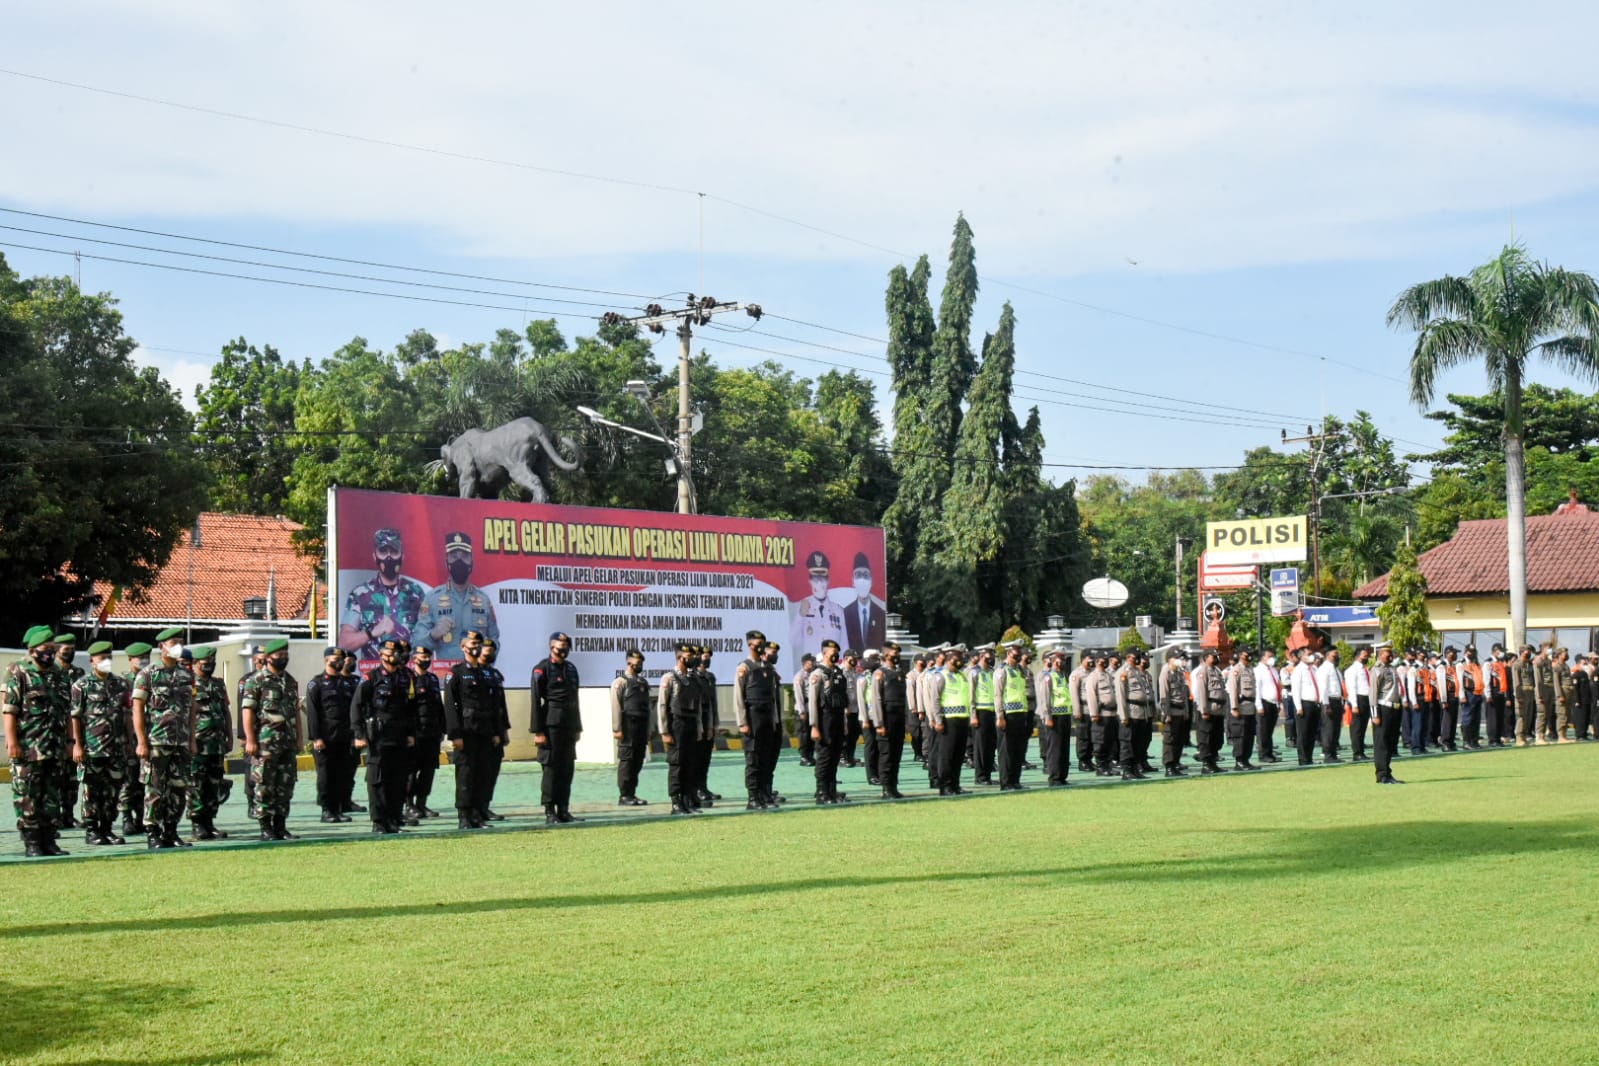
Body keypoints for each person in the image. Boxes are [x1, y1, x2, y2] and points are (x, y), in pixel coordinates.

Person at [5, 626, 71, 856]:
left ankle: (49, 841)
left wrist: (69, 742)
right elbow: (10, 710)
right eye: (45, 649)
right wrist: (12, 741)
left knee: (51, 796)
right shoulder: (19, 673)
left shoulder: (59, 674)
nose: (50, 653)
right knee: (27, 796)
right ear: (33, 650)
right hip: (28, 746)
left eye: (52, 649)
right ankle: (32, 843)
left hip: (54, 746)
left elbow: (67, 711)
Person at [132, 628, 198, 849]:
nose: (178, 645)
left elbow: (191, 709)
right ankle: (153, 832)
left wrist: (192, 739)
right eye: (173, 642)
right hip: (156, 741)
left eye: (180, 642)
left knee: (179, 788)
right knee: (155, 788)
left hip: (181, 742)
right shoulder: (147, 674)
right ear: (161, 647)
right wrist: (141, 741)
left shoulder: (187, 675)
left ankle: (171, 831)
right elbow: (138, 709)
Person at [352, 636, 418, 833]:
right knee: (378, 779)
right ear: (381, 655)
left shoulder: (406, 677)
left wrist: (411, 733)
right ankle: (379, 821)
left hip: (399, 735)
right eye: (391, 653)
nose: (395, 657)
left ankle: (394, 819)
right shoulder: (371, 678)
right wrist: (358, 734)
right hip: (378, 736)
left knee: (397, 779)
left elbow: (411, 708)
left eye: (398, 653)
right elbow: (357, 706)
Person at [69, 640, 131, 847]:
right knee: (92, 791)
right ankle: (92, 830)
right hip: (93, 748)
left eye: (109, 657)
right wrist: (77, 745)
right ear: (92, 661)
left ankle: (107, 829)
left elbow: (127, 715)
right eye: (102, 658)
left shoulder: (121, 684)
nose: (106, 661)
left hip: (117, 747)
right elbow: (76, 717)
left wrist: (130, 742)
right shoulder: (82, 685)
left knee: (113, 791)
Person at [241, 637, 301, 841]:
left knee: (285, 785)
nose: (283, 658)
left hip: (287, 742)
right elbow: (248, 711)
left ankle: (281, 826)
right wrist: (250, 740)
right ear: (268, 658)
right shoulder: (256, 681)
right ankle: (266, 827)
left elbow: (294, 713)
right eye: (279, 655)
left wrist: (299, 739)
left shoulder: (290, 681)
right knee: (264, 784)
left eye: (285, 655)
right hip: (265, 743)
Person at [443, 631, 504, 829]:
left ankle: (478, 814)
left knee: (482, 774)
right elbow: (451, 706)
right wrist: (455, 734)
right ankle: (464, 815)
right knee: (466, 775)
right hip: (466, 732)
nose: (476, 646)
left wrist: (496, 732)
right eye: (472, 643)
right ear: (463, 647)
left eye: (478, 643)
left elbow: (494, 706)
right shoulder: (456, 673)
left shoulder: (486, 673)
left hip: (485, 731)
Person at [339, 527, 428, 660]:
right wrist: (372, 633)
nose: (388, 557)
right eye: (383, 551)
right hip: (374, 677)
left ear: (402, 556)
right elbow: (344, 643)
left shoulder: (416, 593)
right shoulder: (360, 594)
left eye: (393, 551)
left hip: (408, 675)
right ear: (375, 556)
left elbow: (428, 637)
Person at [414, 531, 499, 656]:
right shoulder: (432, 599)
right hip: (447, 674)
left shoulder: (484, 600)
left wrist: (485, 658)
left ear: (472, 561)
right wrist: (434, 634)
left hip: (476, 673)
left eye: (464, 556)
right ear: (446, 562)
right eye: (453, 556)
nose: (459, 561)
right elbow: (416, 644)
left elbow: (494, 641)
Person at [531, 631, 583, 825]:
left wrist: (578, 727)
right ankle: (549, 811)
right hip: (550, 723)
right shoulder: (541, 669)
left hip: (568, 723)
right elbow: (536, 701)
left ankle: (564, 809)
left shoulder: (571, 669)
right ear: (551, 648)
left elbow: (575, 699)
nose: (563, 652)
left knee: (567, 768)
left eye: (566, 648)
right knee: (551, 768)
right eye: (560, 649)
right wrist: (538, 731)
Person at [305, 647, 357, 823]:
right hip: (326, 739)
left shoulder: (347, 683)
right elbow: (312, 712)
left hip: (344, 737)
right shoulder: (316, 684)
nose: (340, 662)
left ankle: (338, 808)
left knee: (341, 775)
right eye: (336, 658)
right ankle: (327, 810)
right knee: (326, 776)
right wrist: (316, 737)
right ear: (326, 660)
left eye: (341, 659)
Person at [187, 647, 232, 840]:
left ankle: (210, 822)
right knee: (197, 783)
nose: (210, 666)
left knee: (215, 783)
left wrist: (230, 735)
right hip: (198, 742)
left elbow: (225, 711)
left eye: (212, 662)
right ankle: (197, 823)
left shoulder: (218, 684)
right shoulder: (187, 684)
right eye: (206, 663)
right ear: (196, 663)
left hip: (217, 742)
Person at [735, 631, 781, 809]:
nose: (760, 645)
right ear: (749, 645)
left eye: (762, 642)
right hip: (752, 719)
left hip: (767, 719)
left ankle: (763, 794)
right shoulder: (744, 668)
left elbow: (773, 699)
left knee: (765, 759)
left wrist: (775, 720)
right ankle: (752, 797)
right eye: (757, 643)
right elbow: (738, 697)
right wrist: (742, 722)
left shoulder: (768, 669)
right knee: (753, 760)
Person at [658, 643, 701, 816]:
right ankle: (676, 802)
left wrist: (699, 728)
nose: (692, 658)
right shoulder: (669, 678)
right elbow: (662, 705)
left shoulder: (692, 678)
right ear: (680, 657)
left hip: (690, 722)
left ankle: (686, 800)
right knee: (677, 763)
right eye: (688, 656)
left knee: (689, 763)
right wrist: (664, 731)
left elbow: (697, 707)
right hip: (676, 724)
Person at [808, 639, 853, 804]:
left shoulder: (839, 673)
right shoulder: (818, 674)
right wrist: (814, 726)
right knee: (825, 756)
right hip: (824, 719)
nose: (835, 656)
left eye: (837, 653)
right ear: (825, 653)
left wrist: (845, 723)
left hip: (838, 718)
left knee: (835, 755)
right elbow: (812, 702)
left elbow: (843, 701)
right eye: (832, 653)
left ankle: (832, 790)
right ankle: (821, 792)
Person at [925, 645, 972, 796]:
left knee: (958, 754)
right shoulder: (940, 676)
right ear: (950, 657)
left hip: (962, 719)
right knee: (947, 755)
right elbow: (935, 700)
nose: (961, 660)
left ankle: (955, 784)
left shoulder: (962, 675)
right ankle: (945, 786)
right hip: (948, 720)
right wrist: (938, 720)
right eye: (958, 657)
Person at [117, 641, 153, 837]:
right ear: (130, 659)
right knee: (128, 779)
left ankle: (141, 817)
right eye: (140, 658)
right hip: (128, 739)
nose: (144, 661)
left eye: (147, 657)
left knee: (145, 779)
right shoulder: (123, 683)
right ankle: (126, 817)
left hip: (150, 735)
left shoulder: (152, 679)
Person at [408, 645, 447, 819]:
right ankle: (409, 805)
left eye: (428, 657)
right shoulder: (408, 679)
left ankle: (422, 804)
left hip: (432, 733)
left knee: (428, 771)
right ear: (414, 658)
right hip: (416, 734)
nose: (425, 660)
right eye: (422, 656)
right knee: (411, 771)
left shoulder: (432, 679)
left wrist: (443, 729)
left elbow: (439, 706)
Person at [611, 647, 652, 807]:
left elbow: (647, 708)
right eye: (637, 662)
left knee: (637, 761)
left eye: (641, 662)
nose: (640, 664)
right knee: (627, 761)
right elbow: (616, 705)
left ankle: (632, 793)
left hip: (641, 728)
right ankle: (624, 795)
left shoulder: (643, 682)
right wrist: (617, 728)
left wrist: (649, 729)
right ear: (629, 662)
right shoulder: (620, 682)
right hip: (627, 727)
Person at [869, 642, 910, 799]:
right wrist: (879, 723)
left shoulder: (899, 673)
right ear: (886, 655)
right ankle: (886, 788)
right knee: (886, 754)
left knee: (896, 753)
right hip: (886, 717)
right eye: (894, 653)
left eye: (898, 653)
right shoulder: (879, 674)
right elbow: (876, 699)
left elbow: (903, 699)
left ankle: (894, 786)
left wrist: (906, 720)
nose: (897, 656)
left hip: (899, 718)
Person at [789, 550, 846, 661]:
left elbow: (844, 645)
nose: (819, 584)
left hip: (832, 667)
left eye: (823, 579)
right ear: (810, 581)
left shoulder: (838, 611)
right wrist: (801, 616)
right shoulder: (803, 607)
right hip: (812, 669)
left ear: (828, 581)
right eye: (816, 580)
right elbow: (793, 641)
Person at [52, 634, 84, 829]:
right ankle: (53, 816)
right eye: (66, 651)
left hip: (73, 733)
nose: (69, 654)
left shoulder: (78, 673)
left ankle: (68, 815)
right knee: (54, 776)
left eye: (72, 650)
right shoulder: (50, 672)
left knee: (72, 777)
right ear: (56, 651)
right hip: (53, 732)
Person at [993, 641, 1033, 789]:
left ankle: (1015, 780)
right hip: (1008, 715)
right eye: (1015, 651)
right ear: (1009, 652)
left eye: (1019, 651)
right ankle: (1006, 782)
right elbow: (998, 695)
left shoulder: (1020, 671)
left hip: (1020, 714)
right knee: (1006, 751)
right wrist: (1000, 716)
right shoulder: (1001, 671)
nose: (1018, 654)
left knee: (1018, 749)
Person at [480, 638, 511, 819]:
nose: (489, 653)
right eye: (486, 649)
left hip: (497, 729)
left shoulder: (495, 675)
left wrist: (504, 730)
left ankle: (485, 805)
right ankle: (476, 807)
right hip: (482, 730)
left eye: (492, 650)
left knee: (492, 770)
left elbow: (501, 705)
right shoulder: (473, 674)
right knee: (480, 771)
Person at [1114, 650, 1156, 780]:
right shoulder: (1123, 672)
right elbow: (1120, 695)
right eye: (1135, 656)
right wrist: (1123, 715)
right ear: (1127, 657)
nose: (1137, 658)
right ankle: (1127, 771)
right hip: (1130, 712)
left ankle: (1135, 769)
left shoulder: (1138, 672)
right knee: (1127, 743)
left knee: (1138, 743)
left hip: (1141, 713)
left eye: (1138, 656)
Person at [1035, 651, 1072, 786]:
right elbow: (1045, 699)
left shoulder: (1063, 676)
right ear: (1054, 660)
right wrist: (1048, 717)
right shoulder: (1048, 677)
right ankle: (1055, 777)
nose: (1063, 661)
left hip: (1065, 715)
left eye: (1063, 659)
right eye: (1060, 659)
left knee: (1064, 747)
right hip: (1054, 717)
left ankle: (1062, 776)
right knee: (1055, 748)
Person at [1370, 643, 1405, 785]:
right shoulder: (1377, 670)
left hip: (1394, 708)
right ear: (1380, 655)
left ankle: (1388, 773)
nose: (1390, 655)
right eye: (1386, 653)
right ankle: (1382, 775)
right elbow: (1372, 693)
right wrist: (1374, 714)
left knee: (1391, 743)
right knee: (1381, 743)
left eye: (1390, 653)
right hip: (1383, 709)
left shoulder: (1391, 668)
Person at [1191, 649, 1229, 775]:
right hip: (1208, 709)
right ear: (1206, 657)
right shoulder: (1203, 672)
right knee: (1206, 738)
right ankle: (1206, 764)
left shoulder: (1217, 671)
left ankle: (1213, 762)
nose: (1217, 658)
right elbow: (1201, 693)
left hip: (1218, 710)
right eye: (1214, 656)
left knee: (1217, 739)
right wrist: (1204, 710)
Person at [842, 552, 886, 653]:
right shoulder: (845, 613)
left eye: (866, 575)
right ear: (852, 581)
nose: (862, 580)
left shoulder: (880, 614)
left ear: (871, 580)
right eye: (858, 575)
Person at [1157, 649, 1191, 777]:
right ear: (1170, 659)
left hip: (1181, 710)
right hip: (1172, 710)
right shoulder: (1165, 672)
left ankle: (1176, 763)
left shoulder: (1179, 672)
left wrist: (1186, 711)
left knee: (1179, 740)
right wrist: (1167, 713)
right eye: (1177, 657)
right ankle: (1169, 766)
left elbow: (1183, 693)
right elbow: (1164, 695)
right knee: (1170, 740)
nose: (1180, 660)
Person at [1226, 648, 1260, 771]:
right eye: (1247, 653)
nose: (1250, 656)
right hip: (1241, 707)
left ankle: (1246, 759)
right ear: (1241, 655)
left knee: (1249, 735)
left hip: (1250, 707)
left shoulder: (1250, 669)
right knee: (1240, 735)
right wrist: (1234, 707)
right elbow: (1233, 690)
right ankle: (1239, 761)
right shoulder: (1236, 670)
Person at [967, 646, 998, 785]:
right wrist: (973, 715)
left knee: (991, 745)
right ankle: (980, 776)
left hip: (992, 712)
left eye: (992, 654)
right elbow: (971, 695)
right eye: (988, 654)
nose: (991, 657)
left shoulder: (992, 672)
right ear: (981, 656)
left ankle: (988, 774)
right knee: (981, 746)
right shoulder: (974, 672)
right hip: (981, 712)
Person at [1290, 648, 1322, 766]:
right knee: (1303, 733)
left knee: (1312, 733)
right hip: (1304, 704)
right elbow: (1296, 690)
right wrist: (1298, 707)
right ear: (1301, 657)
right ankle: (1303, 759)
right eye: (1308, 654)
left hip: (1314, 704)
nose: (1311, 656)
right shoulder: (1298, 670)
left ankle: (1309, 757)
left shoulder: (1313, 669)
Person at [1316, 647, 1345, 763]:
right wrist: (1326, 704)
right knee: (1329, 728)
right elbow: (1323, 687)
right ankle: (1328, 754)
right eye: (1334, 655)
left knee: (1336, 729)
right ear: (1327, 655)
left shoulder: (1336, 669)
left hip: (1337, 700)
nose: (1337, 657)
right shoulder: (1324, 669)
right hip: (1329, 701)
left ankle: (1333, 753)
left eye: (1337, 654)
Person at [1344, 646, 1372, 762]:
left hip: (1367, 699)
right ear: (1357, 656)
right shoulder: (1352, 670)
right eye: (1364, 656)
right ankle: (1357, 752)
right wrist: (1354, 704)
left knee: (1363, 727)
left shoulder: (1365, 669)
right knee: (1357, 728)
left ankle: (1361, 750)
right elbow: (1352, 688)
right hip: (1358, 699)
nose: (1367, 658)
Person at [1069, 653, 1094, 775]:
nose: (1091, 662)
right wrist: (1077, 711)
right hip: (1083, 710)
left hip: (1093, 710)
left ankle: (1089, 759)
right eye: (1089, 659)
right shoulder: (1077, 673)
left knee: (1092, 736)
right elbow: (1074, 694)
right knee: (1083, 737)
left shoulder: (1093, 672)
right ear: (1083, 659)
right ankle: (1082, 761)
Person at [793, 652, 817, 767]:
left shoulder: (813, 674)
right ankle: (804, 756)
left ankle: (810, 755)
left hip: (812, 709)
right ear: (805, 663)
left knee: (811, 734)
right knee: (804, 734)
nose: (813, 663)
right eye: (811, 662)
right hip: (803, 709)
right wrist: (802, 711)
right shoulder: (799, 677)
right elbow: (799, 696)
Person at [1485, 645, 1511, 747]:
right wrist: (1488, 694)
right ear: (1495, 651)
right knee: (1493, 718)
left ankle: (1498, 738)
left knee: (1500, 717)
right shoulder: (1489, 662)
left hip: (1501, 693)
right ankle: (1492, 740)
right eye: (1501, 651)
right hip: (1493, 692)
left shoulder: (1500, 663)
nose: (1502, 653)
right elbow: (1486, 679)